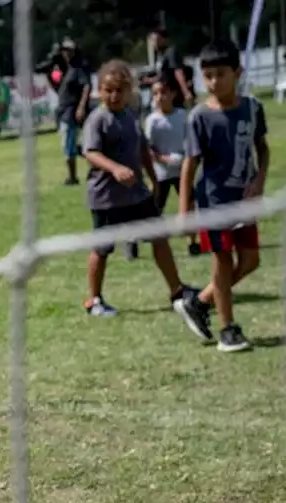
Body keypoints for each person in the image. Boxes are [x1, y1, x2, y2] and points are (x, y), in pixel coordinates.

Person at [79, 59, 205, 337]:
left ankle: (177, 290)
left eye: (119, 91)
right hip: (107, 197)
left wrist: (152, 175)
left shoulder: (129, 114)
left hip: (135, 194)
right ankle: (94, 300)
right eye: (108, 90)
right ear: (100, 91)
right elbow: (90, 152)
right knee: (101, 249)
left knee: (159, 237)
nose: (114, 96)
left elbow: (142, 148)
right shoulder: (97, 119)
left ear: (129, 92)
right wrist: (115, 168)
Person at [178, 40, 271, 354]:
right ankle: (227, 329)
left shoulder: (253, 108)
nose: (214, 82)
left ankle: (200, 301)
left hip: (243, 200)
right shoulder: (200, 117)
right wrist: (184, 210)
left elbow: (263, 148)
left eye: (220, 74)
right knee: (223, 260)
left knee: (250, 261)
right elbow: (190, 164)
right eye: (208, 76)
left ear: (237, 72)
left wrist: (259, 182)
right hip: (214, 202)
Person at [143, 80, 198, 255]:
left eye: (163, 93)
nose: (159, 97)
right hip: (161, 173)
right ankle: (136, 238)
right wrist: (162, 159)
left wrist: (186, 158)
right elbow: (147, 148)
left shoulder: (182, 116)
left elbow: (190, 141)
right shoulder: (152, 120)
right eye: (155, 94)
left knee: (189, 205)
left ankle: (192, 242)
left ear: (173, 94)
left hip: (182, 170)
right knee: (155, 209)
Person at [55, 39, 92, 186]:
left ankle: (73, 176)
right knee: (70, 145)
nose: (66, 53)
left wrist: (81, 106)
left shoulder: (78, 68)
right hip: (64, 111)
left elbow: (86, 86)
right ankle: (74, 174)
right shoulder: (67, 69)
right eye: (64, 50)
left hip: (71, 112)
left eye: (69, 50)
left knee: (68, 144)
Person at [145, 28, 195, 109]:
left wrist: (186, 92)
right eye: (152, 40)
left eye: (157, 39)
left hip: (172, 95)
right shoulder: (160, 55)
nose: (154, 43)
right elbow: (163, 75)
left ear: (165, 40)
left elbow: (178, 71)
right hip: (161, 94)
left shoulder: (171, 52)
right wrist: (150, 80)